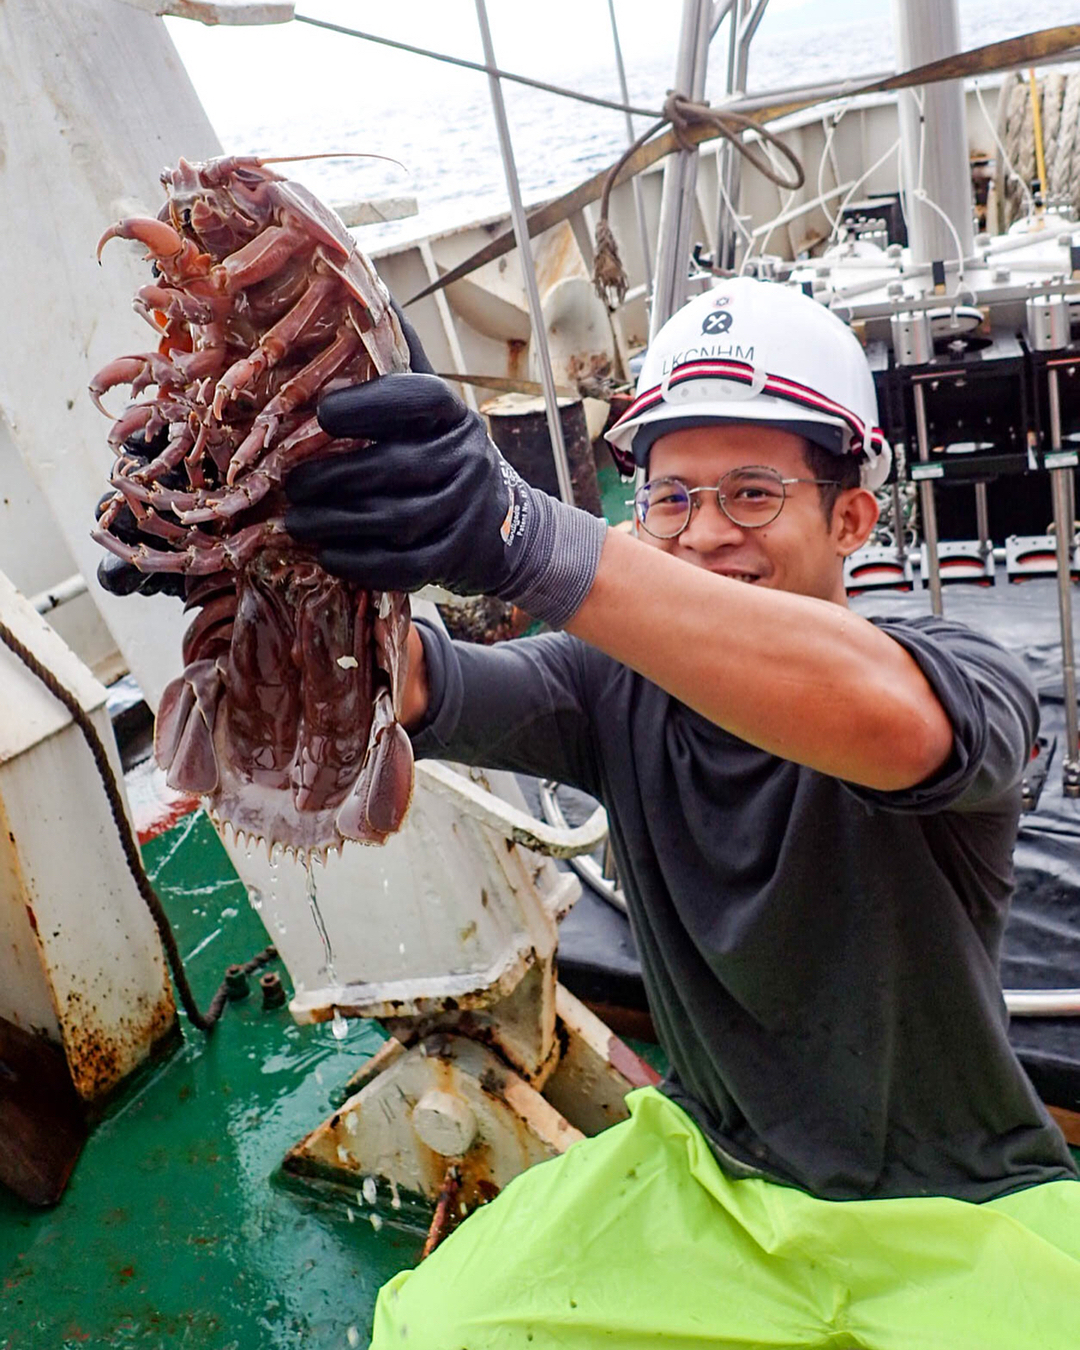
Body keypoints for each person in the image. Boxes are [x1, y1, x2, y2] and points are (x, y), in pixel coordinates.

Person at [110, 279, 1080, 1345]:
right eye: (672, 499)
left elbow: (892, 723)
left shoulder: (962, 672)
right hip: (715, 1178)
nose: (706, 534)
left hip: (963, 1209)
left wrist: (518, 532)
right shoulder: (606, 686)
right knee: (436, 1328)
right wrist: (262, 565)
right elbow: (419, 682)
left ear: (850, 517)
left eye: (752, 495)